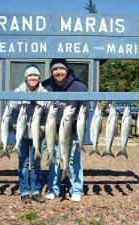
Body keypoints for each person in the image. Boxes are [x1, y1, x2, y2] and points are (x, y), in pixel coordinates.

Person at [42, 58, 90, 202]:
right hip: (53, 131)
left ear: (67, 70)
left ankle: (76, 190)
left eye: (61, 68)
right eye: (55, 69)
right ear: (51, 71)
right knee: (53, 159)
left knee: (74, 160)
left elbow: (86, 107)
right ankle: (53, 189)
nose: (58, 72)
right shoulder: (45, 86)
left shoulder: (79, 86)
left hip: (72, 130)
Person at [9, 64, 48, 204]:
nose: (33, 78)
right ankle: (25, 191)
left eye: (35, 75)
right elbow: (11, 108)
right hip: (23, 134)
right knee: (24, 164)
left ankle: (36, 190)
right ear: (26, 78)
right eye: (30, 75)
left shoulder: (44, 93)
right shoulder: (17, 91)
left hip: (38, 134)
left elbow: (48, 112)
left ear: (39, 78)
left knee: (36, 164)